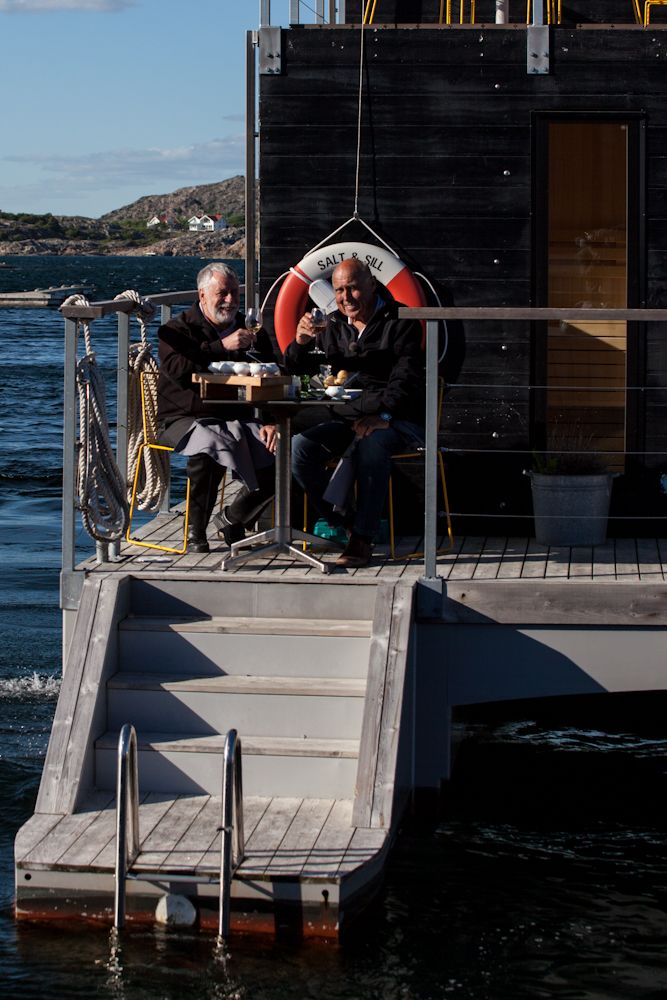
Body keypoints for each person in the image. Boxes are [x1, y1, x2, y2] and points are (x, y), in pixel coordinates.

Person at [284, 258, 425, 568]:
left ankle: (362, 539)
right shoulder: (332, 325)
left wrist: (383, 416)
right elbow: (297, 370)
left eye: (353, 289)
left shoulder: (401, 322)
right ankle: (344, 521)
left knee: (373, 443)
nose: (345, 297)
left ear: (372, 285)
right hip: (348, 419)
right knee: (299, 449)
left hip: (398, 420)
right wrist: (300, 343)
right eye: (339, 290)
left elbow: (407, 378)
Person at [157, 262, 277, 553]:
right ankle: (196, 531)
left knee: (282, 450)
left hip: (235, 416)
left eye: (235, 293)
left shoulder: (250, 330)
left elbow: (271, 374)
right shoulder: (176, 329)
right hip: (183, 418)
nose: (230, 300)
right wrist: (221, 346)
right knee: (209, 446)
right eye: (222, 293)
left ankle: (233, 519)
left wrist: (272, 421)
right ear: (202, 295)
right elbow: (178, 369)